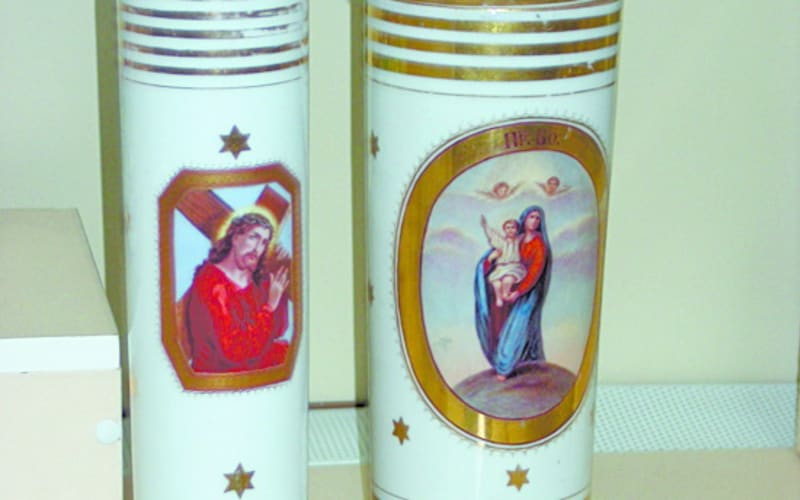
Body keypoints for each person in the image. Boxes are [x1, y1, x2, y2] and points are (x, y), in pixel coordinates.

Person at [184, 212, 290, 373]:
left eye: (264, 242)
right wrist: (269, 307)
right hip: (221, 374)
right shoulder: (212, 283)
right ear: (235, 238)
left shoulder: (254, 279)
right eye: (253, 237)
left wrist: (278, 284)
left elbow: (278, 330)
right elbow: (234, 351)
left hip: (251, 364)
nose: (257, 249)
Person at [474, 206, 552, 381]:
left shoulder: (538, 244)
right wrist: (488, 262)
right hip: (507, 292)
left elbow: (535, 271)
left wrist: (519, 291)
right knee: (499, 323)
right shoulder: (516, 238)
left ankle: (505, 366)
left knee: (517, 326)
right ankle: (501, 360)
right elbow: (497, 253)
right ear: (524, 219)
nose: (534, 221)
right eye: (531, 217)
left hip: (524, 292)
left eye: (538, 218)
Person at [479, 215, 527, 307]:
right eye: (507, 228)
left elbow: (526, 234)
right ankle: (499, 298)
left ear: (517, 230)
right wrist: (485, 226)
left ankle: (505, 294)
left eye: (513, 227)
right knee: (496, 283)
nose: (510, 230)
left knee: (507, 280)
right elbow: (492, 235)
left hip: (513, 267)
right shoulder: (501, 242)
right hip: (500, 268)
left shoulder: (518, 240)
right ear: (504, 230)